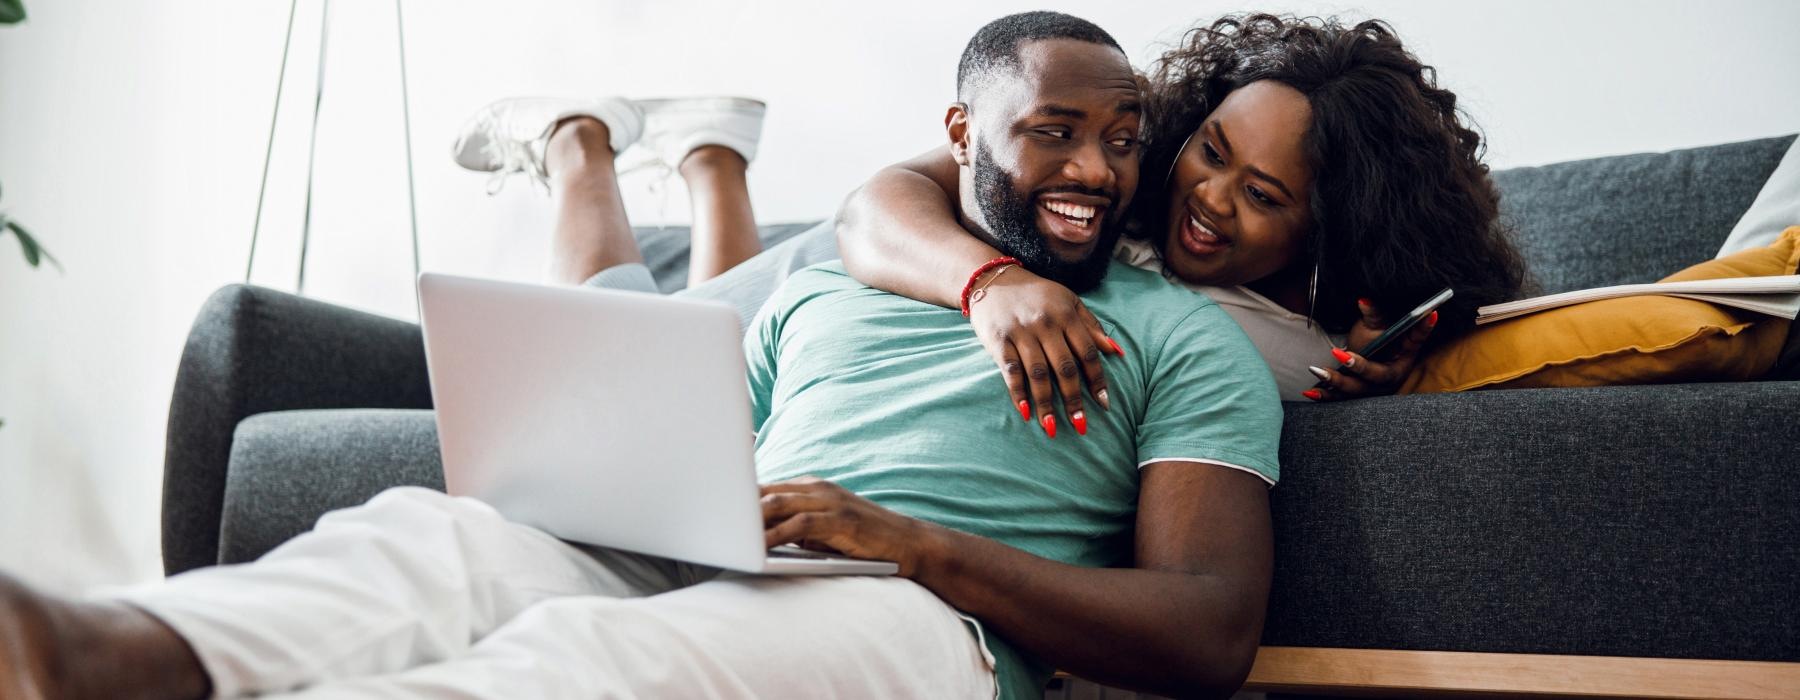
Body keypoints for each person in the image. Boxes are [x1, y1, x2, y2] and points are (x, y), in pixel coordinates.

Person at [0, 12, 1281, 700]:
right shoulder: (843, 272)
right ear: (961, 133)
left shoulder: (1183, 338)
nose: (1097, 171)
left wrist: (907, 539)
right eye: (1055, 132)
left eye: (1123, 142)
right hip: (718, 549)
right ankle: (108, 653)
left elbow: (1210, 631)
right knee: (436, 542)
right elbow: (690, 434)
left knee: (600, 670)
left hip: (920, 617)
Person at [837, 13, 1529, 413]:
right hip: (862, 270)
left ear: (1333, 235)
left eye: (1262, 196)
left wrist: (1387, 389)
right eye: (1212, 150)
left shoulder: (1305, 351)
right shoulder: (1111, 165)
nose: (1208, 196)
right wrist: (991, 281)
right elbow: (870, 207)